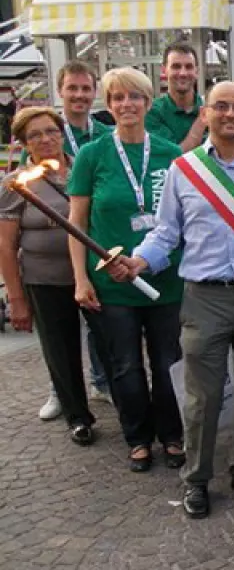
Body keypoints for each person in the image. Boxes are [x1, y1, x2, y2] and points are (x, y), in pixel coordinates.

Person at [126, 81, 234, 520]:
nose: (230, 114)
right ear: (205, 114)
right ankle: (197, 479)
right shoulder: (184, 170)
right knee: (203, 397)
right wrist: (139, 261)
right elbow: (166, 232)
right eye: (220, 106)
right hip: (204, 298)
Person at [67, 68, 186, 473]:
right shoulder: (92, 155)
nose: (126, 104)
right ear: (109, 104)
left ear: (148, 102)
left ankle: (172, 433)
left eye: (134, 97)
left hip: (164, 281)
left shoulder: (172, 154)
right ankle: (138, 437)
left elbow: (185, 221)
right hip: (111, 283)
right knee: (124, 365)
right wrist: (81, 279)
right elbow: (76, 222)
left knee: (168, 361)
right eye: (117, 98)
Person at [0, 107, 112, 443]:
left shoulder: (84, 168)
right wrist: (17, 299)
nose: (45, 139)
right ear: (23, 144)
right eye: (35, 135)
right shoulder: (16, 184)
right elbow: (6, 246)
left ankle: (126, 401)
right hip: (45, 279)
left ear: (62, 133)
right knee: (60, 350)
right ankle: (77, 416)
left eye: (50, 131)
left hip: (93, 276)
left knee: (112, 342)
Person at [27, 61, 114, 413]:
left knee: (100, 323)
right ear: (60, 91)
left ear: (94, 93)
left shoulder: (104, 134)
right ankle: (59, 389)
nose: (79, 95)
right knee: (58, 332)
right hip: (51, 258)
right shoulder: (46, 134)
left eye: (85, 89)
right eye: (72, 88)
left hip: (94, 244)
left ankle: (101, 382)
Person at [146, 42, 206, 151]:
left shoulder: (212, 107)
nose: (183, 73)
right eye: (176, 67)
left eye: (189, 67)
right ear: (164, 71)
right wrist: (202, 121)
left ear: (196, 71)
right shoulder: (152, 112)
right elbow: (174, 157)